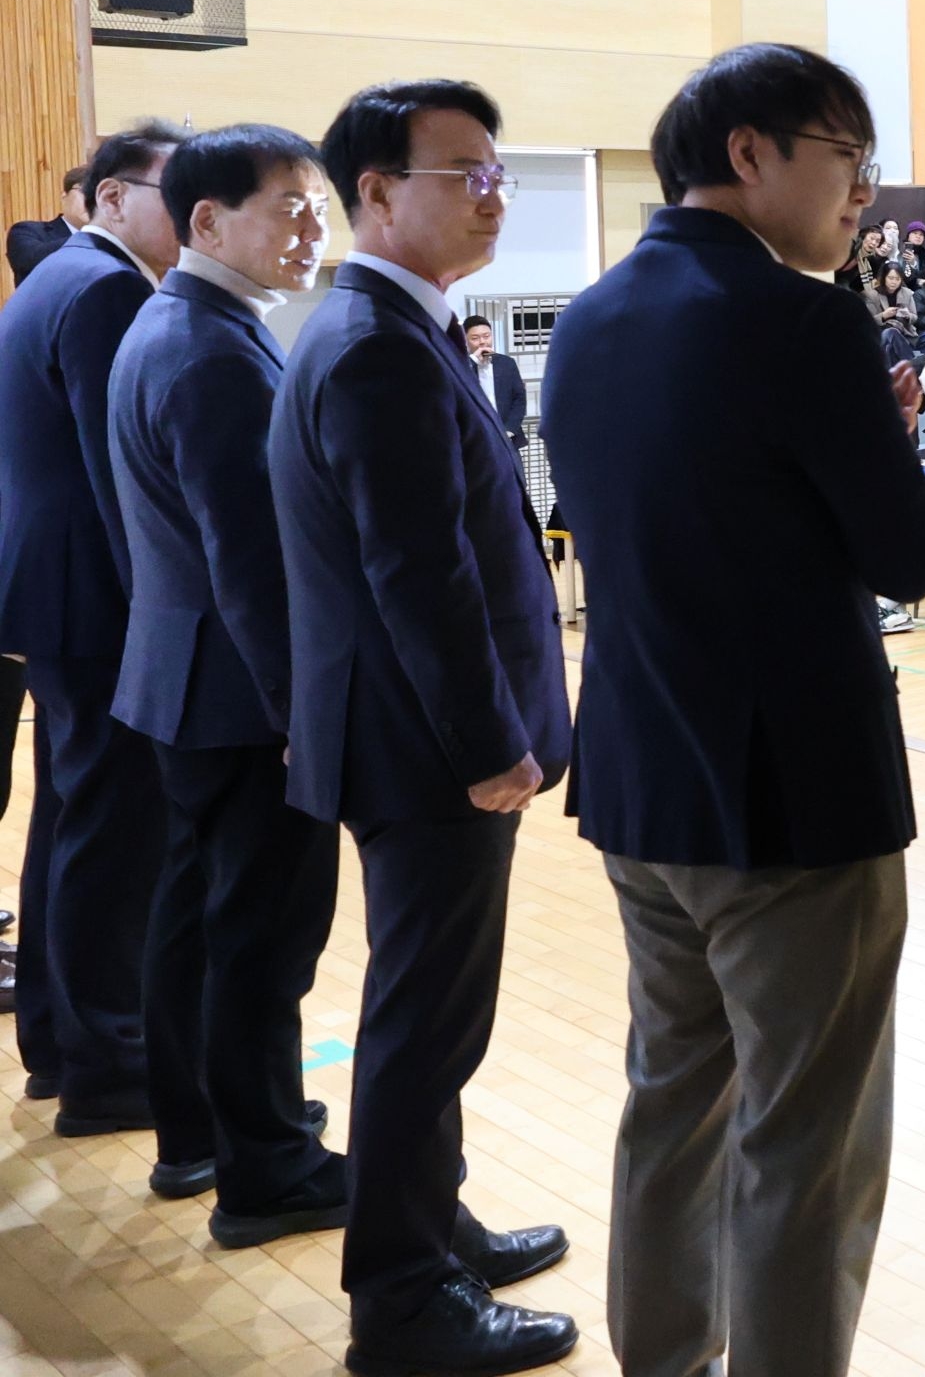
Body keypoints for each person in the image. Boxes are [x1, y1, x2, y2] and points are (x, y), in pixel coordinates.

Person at [544, 46, 925, 1377]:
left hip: (640, 777)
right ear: (750, 153)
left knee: (673, 1102)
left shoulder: (588, 318)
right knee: (805, 1139)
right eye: (848, 159)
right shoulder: (804, 321)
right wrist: (883, 442)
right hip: (791, 803)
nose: (864, 194)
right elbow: (907, 555)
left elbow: (698, 513)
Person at [275, 81, 577, 1372]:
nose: (496, 193)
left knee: (431, 1009)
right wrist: (488, 742)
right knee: (425, 1019)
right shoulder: (375, 347)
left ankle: (430, 1227)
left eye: (498, 170)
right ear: (379, 191)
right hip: (425, 746)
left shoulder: (394, 326)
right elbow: (421, 575)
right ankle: (403, 1300)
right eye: (468, 173)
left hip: (405, 733)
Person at [106, 125, 350, 1238]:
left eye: (319, 209)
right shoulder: (210, 350)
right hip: (240, 692)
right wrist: (304, 712)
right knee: (263, 933)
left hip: (183, 672)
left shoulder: (176, 322)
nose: (312, 231)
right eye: (289, 208)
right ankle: (270, 1165)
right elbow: (252, 563)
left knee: (198, 921)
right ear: (207, 220)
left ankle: (200, 1129)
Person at [0, 122, 183, 1132]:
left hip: (53, 589)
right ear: (112, 196)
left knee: (73, 822)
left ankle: (56, 1038)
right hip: (94, 596)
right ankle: (111, 1064)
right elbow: (121, 475)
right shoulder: (107, 288)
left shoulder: (59, 277)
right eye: (174, 191)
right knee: (113, 835)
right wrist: (161, 610)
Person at [4, 160, 88, 284]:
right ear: (64, 196)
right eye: (86, 191)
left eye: (100, 195)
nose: (92, 201)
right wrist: (90, 237)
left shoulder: (112, 241)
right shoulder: (27, 231)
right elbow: (29, 260)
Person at [460, 315, 530, 452]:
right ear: (465, 340)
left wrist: (509, 430)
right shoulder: (461, 365)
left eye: (486, 336)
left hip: (507, 437)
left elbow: (519, 399)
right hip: (475, 440)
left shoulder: (507, 363)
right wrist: (473, 361)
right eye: (475, 338)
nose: (482, 342)